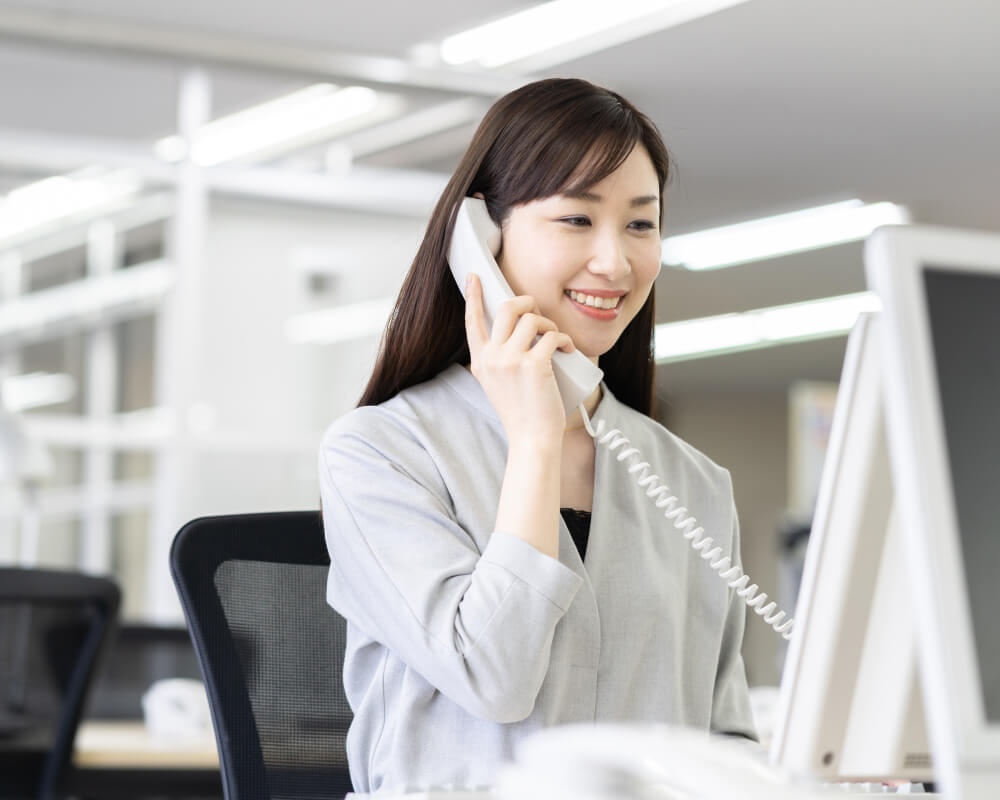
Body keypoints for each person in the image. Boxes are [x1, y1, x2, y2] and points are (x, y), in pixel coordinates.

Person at [318, 78, 756, 795]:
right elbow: (492, 676)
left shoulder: (692, 483)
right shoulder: (381, 452)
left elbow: (725, 737)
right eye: (577, 220)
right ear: (481, 241)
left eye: (641, 225)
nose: (615, 262)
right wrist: (534, 441)